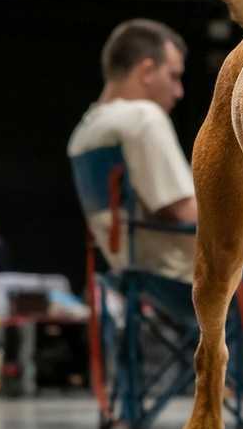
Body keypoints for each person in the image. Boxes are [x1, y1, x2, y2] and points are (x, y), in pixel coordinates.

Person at [67, 19, 197, 282]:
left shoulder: (82, 135)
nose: (179, 92)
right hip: (188, 273)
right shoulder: (142, 118)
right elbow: (184, 212)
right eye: (173, 76)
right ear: (147, 71)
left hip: (137, 274)